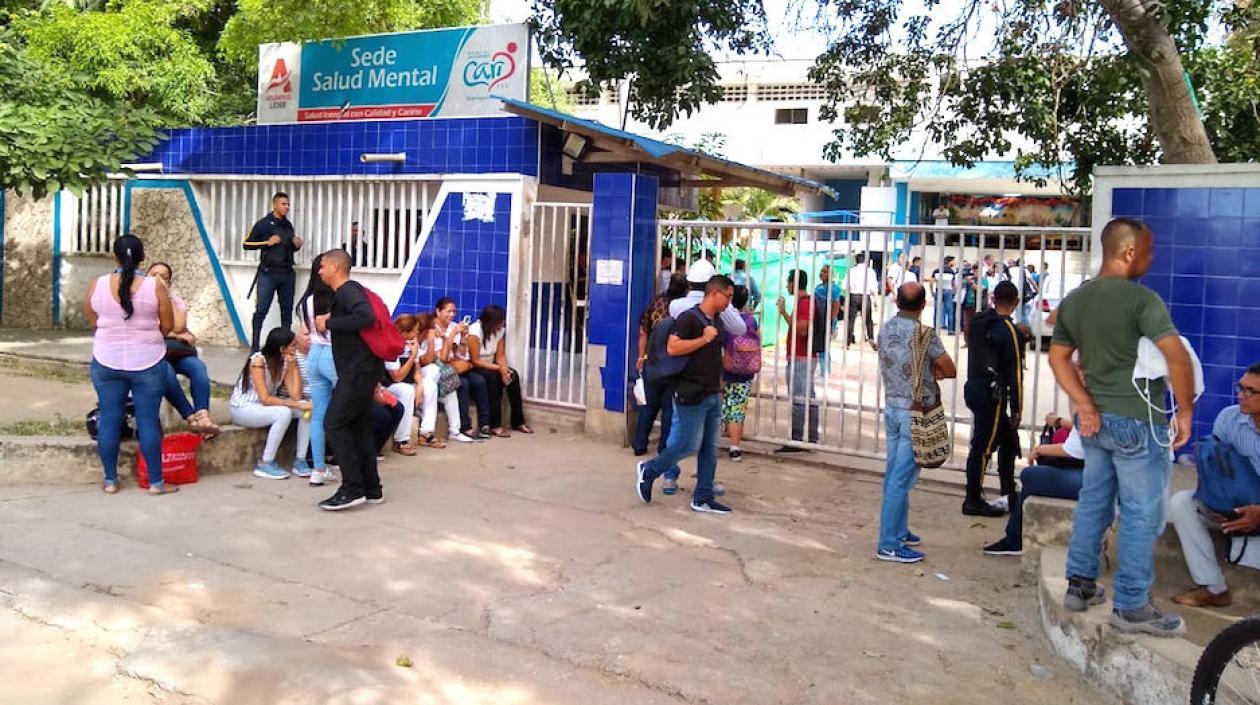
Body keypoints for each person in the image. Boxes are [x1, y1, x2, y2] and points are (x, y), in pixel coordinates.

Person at [1049, 217, 1195, 637]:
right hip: (1138, 420)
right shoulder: (1142, 300)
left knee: (1094, 500)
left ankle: (1079, 585)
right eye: (1148, 252)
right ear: (1128, 252)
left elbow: (1058, 358)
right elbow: (1177, 358)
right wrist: (1183, 411)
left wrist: (1084, 404)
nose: (1151, 259)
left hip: (1095, 424)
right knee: (1140, 513)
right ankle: (1131, 605)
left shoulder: (1076, 301)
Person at [84, 234, 178, 495]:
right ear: (142, 258)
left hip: (106, 360)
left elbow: (92, 318)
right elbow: (168, 326)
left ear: (114, 257)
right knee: (148, 421)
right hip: (147, 362)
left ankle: (111, 480)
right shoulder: (155, 286)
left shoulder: (98, 284)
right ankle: (156, 483)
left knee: (110, 419)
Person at [636, 275, 735, 515]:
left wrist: (719, 387)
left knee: (710, 448)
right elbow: (673, 347)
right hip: (691, 392)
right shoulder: (690, 318)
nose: (729, 302)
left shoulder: (718, 321)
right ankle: (649, 470)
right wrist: (704, 338)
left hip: (711, 393)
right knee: (688, 444)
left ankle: (702, 497)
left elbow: (714, 356)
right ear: (714, 293)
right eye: (728, 296)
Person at [1167, 363, 1260, 608]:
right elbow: (1210, 466)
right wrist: (1213, 500)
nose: (1241, 395)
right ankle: (1214, 588)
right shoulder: (1230, 418)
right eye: (1240, 388)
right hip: (1235, 508)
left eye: (1251, 391)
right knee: (1182, 503)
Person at [876, 282, 956, 562]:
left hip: (893, 408)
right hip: (915, 413)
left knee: (896, 474)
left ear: (896, 302)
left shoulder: (885, 328)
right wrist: (933, 369)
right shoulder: (925, 334)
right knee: (900, 479)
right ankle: (888, 543)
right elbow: (950, 367)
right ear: (923, 305)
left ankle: (898, 530)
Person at [314, 249, 386, 511]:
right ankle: (371, 487)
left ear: (335, 267)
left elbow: (365, 316)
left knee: (334, 423)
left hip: (358, 371)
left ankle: (352, 488)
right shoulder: (347, 293)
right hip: (360, 370)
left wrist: (330, 323)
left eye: (322, 266)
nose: (319, 271)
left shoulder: (348, 291)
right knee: (358, 426)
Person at [962, 281, 1028, 517]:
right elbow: (1015, 374)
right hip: (993, 393)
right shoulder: (1008, 329)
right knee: (983, 446)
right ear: (1017, 302)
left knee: (1008, 440)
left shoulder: (979, 321)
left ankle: (1008, 492)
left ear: (992, 298)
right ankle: (972, 499)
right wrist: (1017, 407)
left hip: (974, 387)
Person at [983, 418, 1086, 556]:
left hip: (1096, 480)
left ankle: (1014, 540)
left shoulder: (1091, 402)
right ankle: (1014, 538)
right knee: (1034, 480)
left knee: (1029, 476)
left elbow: (1075, 450)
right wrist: (1059, 421)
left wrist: (1039, 449)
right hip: (1100, 474)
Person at [227, 327, 312, 480]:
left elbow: (296, 395)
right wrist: (296, 404)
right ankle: (265, 462)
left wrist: (293, 366)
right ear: (282, 348)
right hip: (244, 408)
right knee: (284, 412)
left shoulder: (285, 361)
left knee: (306, 412)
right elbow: (265, 398)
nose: (296, 348)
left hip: (265, 408)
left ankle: (300, 460)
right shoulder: (258, 361)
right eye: (292, 345)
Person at [147, 262, 218, 438]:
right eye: (153, 275)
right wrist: (175, 334)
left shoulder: (175, 301)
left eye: (164, 278)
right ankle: (190, 416)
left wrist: (166, 298)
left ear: (169, 283)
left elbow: (178, 326)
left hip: (175, 352)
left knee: (197, 367)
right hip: (154, 354)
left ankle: (203, 415)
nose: (158, 280)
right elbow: (153, 329)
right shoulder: (141, 301)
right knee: (167, 372)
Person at [633, 273, 688, 456]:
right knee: (669, 408)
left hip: (653, 362)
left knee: (648, 406)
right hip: (674, 365)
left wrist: (641, 357)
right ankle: (664, 447)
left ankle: (639, 444)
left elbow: (643, 332)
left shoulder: (655, 304)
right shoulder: (684, 309)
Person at [295, 256, 338, 486]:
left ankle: (318, 469)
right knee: (350, 411)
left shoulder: (306, 300)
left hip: (314, 356)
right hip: (333, 355)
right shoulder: (335, 298)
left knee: (319, 415)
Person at [244, 192, 303, 351]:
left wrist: (296, 245)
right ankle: (255, 346)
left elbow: (287, 248)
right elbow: (246, 244)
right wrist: (267, 243)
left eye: (288, 204)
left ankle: (287, 345)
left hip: (287, 272)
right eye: (284, 204)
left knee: (287, 309)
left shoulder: (288, 225)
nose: (287, 207)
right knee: (262, 309)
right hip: (268, 273)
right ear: (275, 205)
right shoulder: (263, 224)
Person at [467, 304, 533, 437]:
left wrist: (504, 369)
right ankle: (494, 425)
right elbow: (475, 360)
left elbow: (500, 355)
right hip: (476, 367)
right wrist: (499, 368)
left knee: (513, 376)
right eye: (499, 322)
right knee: (492, 379)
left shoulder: (499, 331)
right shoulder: (475, 332)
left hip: (492, 365)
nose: (502, 324)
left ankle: (518, 421)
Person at [776, 270, 820, 452]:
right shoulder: (805, 302)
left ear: (793, 283)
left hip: (801, 356)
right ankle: (810, 438)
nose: (787, 286)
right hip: (804, 356)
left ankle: (796, 439)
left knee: (799, 398)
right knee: (808, 396)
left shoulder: (804, 303)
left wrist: (785, 312)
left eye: (788, 282)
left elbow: (801, 330)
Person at [415, 311, 469, 447]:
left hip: (429, 382)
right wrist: (432, 340)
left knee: (449, 390)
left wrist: (445, 338)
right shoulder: (414, 342)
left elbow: (441, 358)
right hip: (416, 383)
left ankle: (454, 431)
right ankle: (425, 431)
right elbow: (427, 360)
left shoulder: (427, 340)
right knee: (433, 372)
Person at [432, 298, 482, 442]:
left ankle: (481, 425)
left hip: (454, 367)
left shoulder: (454, 326)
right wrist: (453, 333)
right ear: (438, 311)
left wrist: (464, 339)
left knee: (479, 381)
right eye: (448, 311)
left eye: (454, 311)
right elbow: (442, 358)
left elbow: (460, 353)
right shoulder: (434, 329)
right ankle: (464, 427)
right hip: (440, 368)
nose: (452, 314)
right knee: (462, 384)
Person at [722, 286, 759, 462]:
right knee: (738, 408)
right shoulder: (751, 320)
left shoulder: (726, 319)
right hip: (745, 372)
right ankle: (735, 447)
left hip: (725, 369)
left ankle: (710, 442)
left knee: (721, 406)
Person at [669, 259, 747, 336]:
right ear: (713, 284)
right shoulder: (720, 305)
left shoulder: (674, 305)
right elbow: (740, 329)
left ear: (689, 283)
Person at [381, 314, 420, 456]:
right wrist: (412, 356)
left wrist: (420, 385)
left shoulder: (411, 343)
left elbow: (417, 367)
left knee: (430, 387)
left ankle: (427, 433)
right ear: (404, 332)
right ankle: (401, 440)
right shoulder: (392, 345)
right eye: (415, 330)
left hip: (408, 381)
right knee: (407, 391)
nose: (417, 334)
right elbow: (396, 377)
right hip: (388, 385)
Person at [844, 252, 879, 349]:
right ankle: (871, 338)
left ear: (855, 261)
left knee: (851, 320)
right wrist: (876, 301)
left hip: (854, 296)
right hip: (865, 297)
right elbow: (874, 288)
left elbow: (845, 286)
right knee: (868, 320)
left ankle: (847, 343)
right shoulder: (870, 272)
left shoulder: (851, 271)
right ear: (865, 261)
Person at [884, 251, 918, 321]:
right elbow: (889, 281)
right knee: (892, 315)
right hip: (895, 295)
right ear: (898, 258)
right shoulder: (894, 267)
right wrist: (894, 293)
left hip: (905, 297)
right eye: (902, 258)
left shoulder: (910, 273)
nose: (903, 260)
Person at [930, 256, 958, 333]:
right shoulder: (952, 271)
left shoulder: (936, 270)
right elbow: (953, 283)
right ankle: (950, 329)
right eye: (953, 261)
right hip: (948, 290)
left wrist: (931, 291)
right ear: (949, 262)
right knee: (949, 311)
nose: (954, 262)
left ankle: (935, 328)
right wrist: (954, 292)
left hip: (939, 289)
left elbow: (931, 282)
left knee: (936, 310)